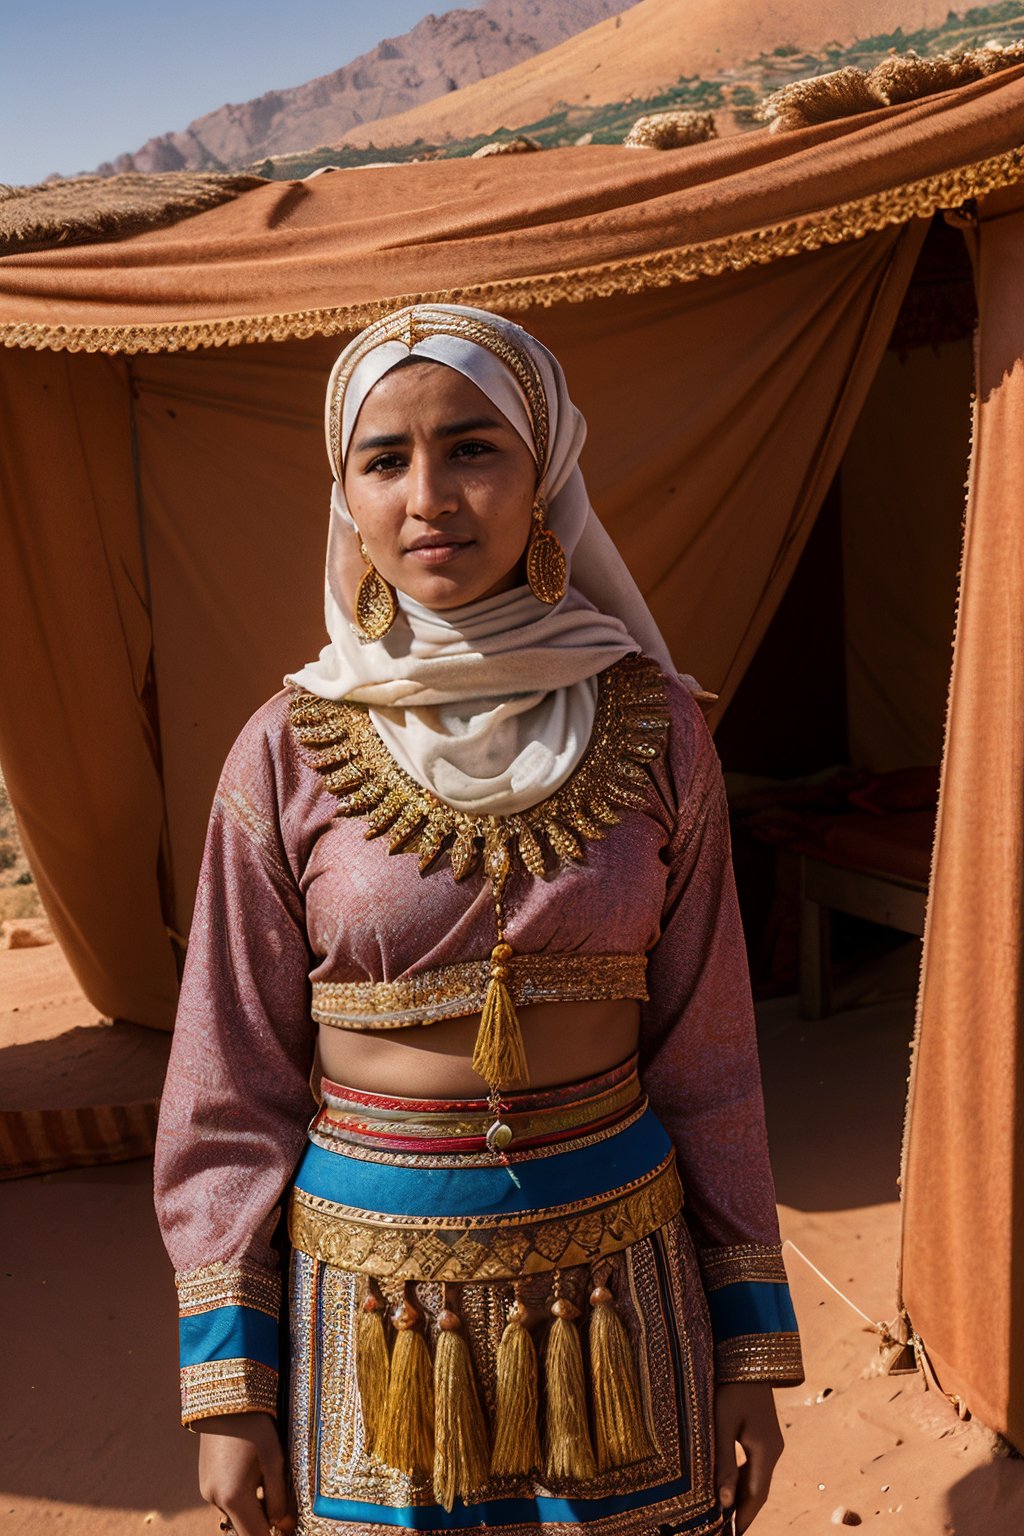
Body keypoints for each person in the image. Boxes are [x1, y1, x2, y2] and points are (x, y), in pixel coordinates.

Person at [154, 302, 803, 1536]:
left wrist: (751, 1348)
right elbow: (224, 1079)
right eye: (383, 458)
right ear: (345, 492)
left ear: (546, 467)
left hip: (624, 1283)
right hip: (378, 1302)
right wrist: (228, 1390)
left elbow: (711, 1062)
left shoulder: (661, 728)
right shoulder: (286, 747)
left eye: (473, 447)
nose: (428, 496)